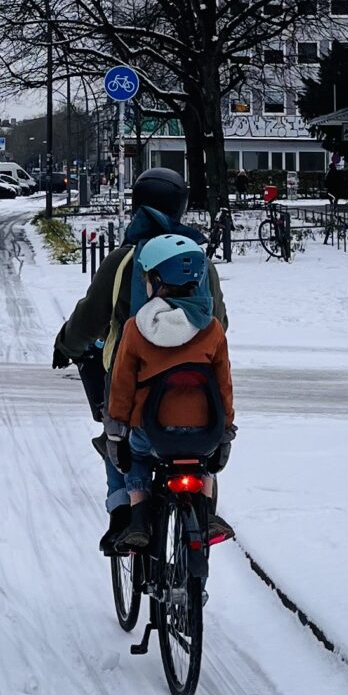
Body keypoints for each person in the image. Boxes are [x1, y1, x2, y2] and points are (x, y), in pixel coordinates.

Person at [52, 164, 229, 476]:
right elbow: (220, 321)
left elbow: (91, 317)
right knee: (200, 445)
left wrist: (67, 344)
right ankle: (205, 505)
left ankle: (124, 511)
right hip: (195, 381)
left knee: (118, 446)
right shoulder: (199, 264)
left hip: (135, 382)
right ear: (181, 207)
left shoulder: (123, 260)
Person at [101, 230, 235, 552]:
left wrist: (116, 432)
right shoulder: (212, 329)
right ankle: (205, 514)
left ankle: (139, 518)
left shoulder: (136, 329)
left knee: (137, 457)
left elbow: (122, 387)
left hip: (152, 431)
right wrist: (225, 429)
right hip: (204, 432)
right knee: (202, 465)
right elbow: (223, 385)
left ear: (157, 280)